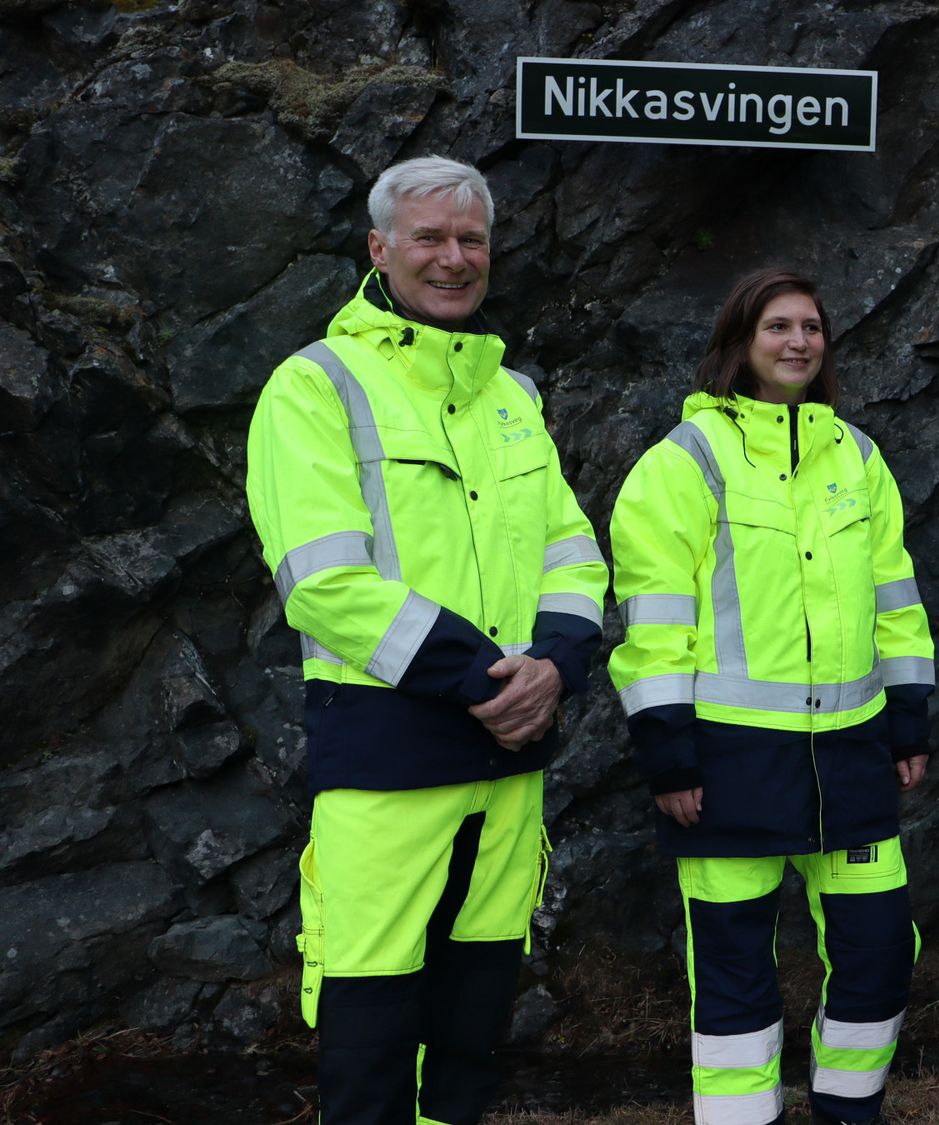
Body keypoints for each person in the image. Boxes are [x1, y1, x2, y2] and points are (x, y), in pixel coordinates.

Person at [245, 154, 608, 1123]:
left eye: (471, 239)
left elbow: (573, 554)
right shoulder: (314, 386)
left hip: (510, 765)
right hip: (388, 757)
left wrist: (556, 667)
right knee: (370, 1020)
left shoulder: (512, 397)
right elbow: (324, 584)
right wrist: (490, 682)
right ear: (379, 248)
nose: (454, 257)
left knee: (473, 1023)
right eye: (430, 238)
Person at [607, 269, 935, 1125]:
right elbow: (655, 624)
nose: (798, 342)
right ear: (740, 341)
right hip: (726, 758)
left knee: (879, 949)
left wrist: (908, 721)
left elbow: (896, 602)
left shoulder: (859, 457)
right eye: (778, 326)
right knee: (731, 964)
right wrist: (668, 753)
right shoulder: (683, 463)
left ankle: (848, 1108)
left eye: (812, 327)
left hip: (853, 755)